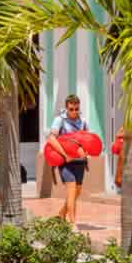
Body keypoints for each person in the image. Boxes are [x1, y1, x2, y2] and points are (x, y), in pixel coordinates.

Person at [45, 95, 91, 225]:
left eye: (76, 109)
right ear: (66, 108)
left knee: (78, 191)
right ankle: (73, 224)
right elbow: (51, 139)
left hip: (80, 162)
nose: (74, 112)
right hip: (66, 162)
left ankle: (61, 213)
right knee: (71, 191)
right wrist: (65, 155)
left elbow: (87, 140)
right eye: (71, 109)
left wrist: (86, 152)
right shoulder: (59, 120)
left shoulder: (83, 121)